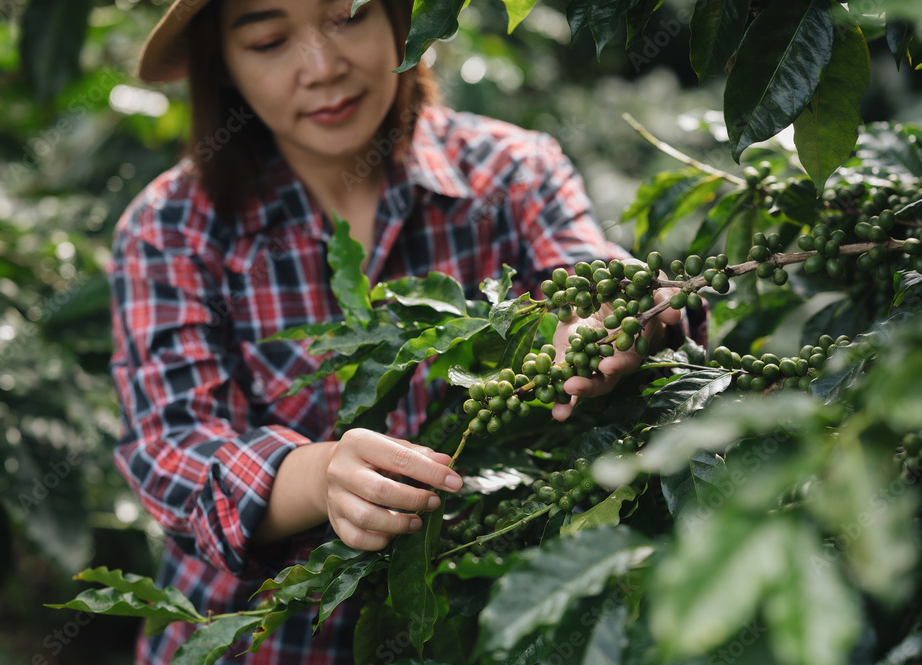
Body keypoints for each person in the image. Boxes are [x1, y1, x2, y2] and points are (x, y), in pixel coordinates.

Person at [108, 0, 683, 662]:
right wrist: (320, 475)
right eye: (269, 40)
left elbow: (586, 268)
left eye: (348, 16)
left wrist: (616, 311)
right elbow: (171, 448)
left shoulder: (510, 171)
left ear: (402, 23)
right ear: (225, 68)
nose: (321, 68)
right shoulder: (170, 228)